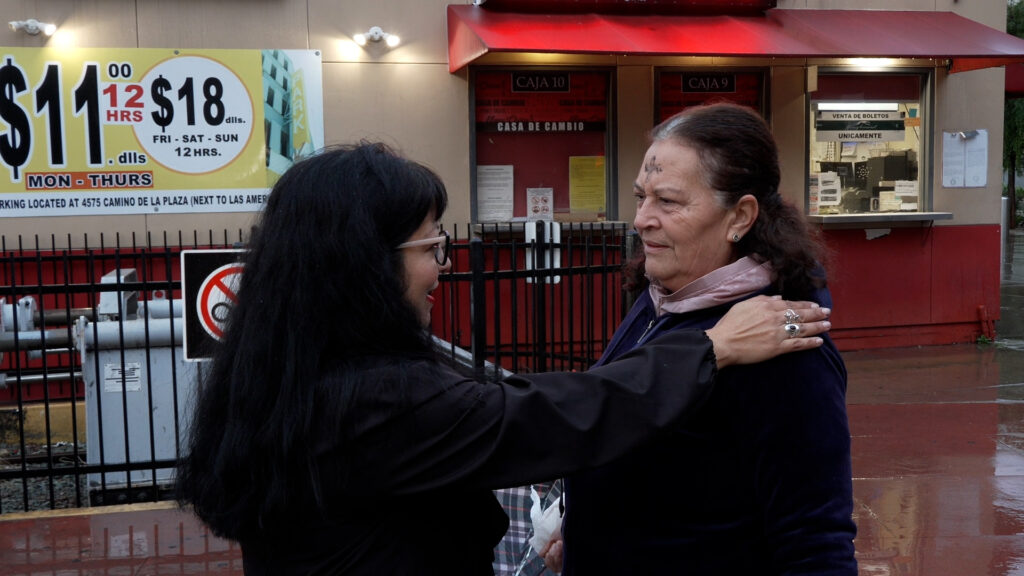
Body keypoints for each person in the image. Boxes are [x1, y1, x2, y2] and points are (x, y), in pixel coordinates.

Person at [174, 141, 833, 576]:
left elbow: (812, 528)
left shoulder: (287, 363)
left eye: (667, 200)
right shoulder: (368, 396)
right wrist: (711, 347)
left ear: (740, 215)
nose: (442, 266)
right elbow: (547, 416)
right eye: (431, 247)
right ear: (364, 267)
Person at [546, 102, 857, 575]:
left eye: (668, 201)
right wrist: (585, 529)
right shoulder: (662, 297)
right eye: (640, 197)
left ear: (740, 216)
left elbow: (815, 541)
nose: (642, 219)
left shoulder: (783, 346)